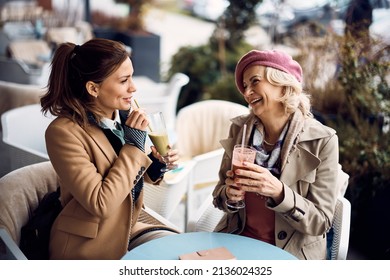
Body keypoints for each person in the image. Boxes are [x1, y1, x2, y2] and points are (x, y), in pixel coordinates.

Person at [40, 38, 179, 260]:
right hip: (86, 247)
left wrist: (156, 167)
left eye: (131, 77)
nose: (133, 88)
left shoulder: (122, 116)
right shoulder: (63, 133)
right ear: (93, 88)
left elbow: (123, 175)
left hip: (126, 229)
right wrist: (134, 146)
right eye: (124, 80)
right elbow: (101, 203)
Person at [212, 49, 340, 260]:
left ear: (283, 85)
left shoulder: (322, 141)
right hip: (236, 241)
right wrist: (228, 195)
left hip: (290, 253)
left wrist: (279, 192)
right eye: (245, 86)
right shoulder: (239, 130)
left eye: (254, 82)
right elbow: (219, 195)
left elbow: (322, 221)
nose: (247, 92)